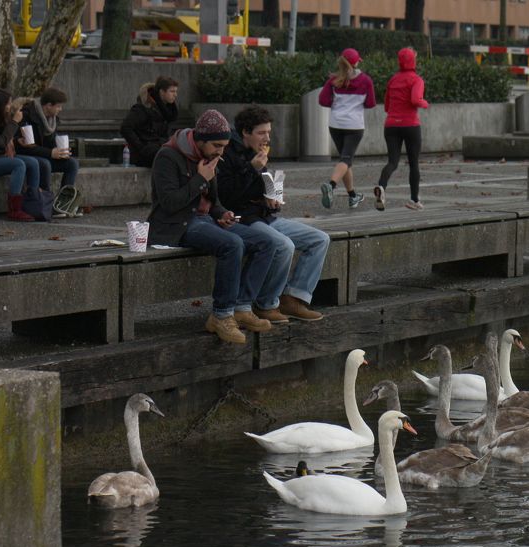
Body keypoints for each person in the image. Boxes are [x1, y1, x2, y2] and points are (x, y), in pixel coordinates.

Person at [147, 109, 278, 345]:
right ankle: (221, 315)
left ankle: (242, 307)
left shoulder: (210, 156)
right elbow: (169, 204)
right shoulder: (168, 156)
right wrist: (200, 179)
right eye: (217, 145)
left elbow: (213, 201)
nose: (221, 150)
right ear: (200, 140)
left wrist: (222, 213)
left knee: (266, 242)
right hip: (177, 223)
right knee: (232, 244)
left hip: (206, 219)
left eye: (225, 145)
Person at [216, 105, 328, 322]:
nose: (267, 137)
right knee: (284, 245)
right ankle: (266, 303)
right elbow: (227, 196)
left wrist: (271, 201)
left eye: (268, 132)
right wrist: (252, 168)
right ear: (245, 133)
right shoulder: (227, 153)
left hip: (263, 216)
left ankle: (294, 298)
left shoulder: (259, 154)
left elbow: (262, 189)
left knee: (319, 239)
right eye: (261, 132)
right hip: (243, 218)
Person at [318, 47, 376, 210]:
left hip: (335, 124)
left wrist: (336, 105)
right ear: (357, 62)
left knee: (346, 161)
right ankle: (331, 185)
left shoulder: (334, 80)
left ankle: (352, 196)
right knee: (346, 159)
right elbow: (371, 103)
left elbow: (322, 100)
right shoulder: (365, 80)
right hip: (354, 125)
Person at [373, 47, 430, 211]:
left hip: (391, 125)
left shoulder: (392, 80)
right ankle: (414, 200)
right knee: (413, 163)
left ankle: (382, 187)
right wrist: (424, 103)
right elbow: (415, 99)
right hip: (410, 125)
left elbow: (386, 106)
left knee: (392, 162)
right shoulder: (417, 80)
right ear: (413, 61)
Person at [15, 86, 79, 193]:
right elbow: (26, 146)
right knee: (45, 164)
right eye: (58, 106)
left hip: (44, 155)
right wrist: (50, 153)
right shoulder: (26, 115)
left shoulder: (52, 120)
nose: (60, 109)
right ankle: (45, 201)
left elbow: (50, 144)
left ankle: (64, 202)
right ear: (49, 105)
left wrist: (60, 151)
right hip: (28, 155)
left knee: (72, 163)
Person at [0, 89, 41, 222]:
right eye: (8, 104)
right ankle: (15, 209)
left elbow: (4, 140)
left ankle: (33, 204)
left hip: (1, 157)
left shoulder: (2, 118)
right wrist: (14, 122)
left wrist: (16, 141)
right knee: (18, 164)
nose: (10, 106)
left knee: (33, 162)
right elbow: (1, 143)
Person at [120, 76, 180, 168]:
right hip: (144, 154)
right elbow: (126, 128)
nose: (175, 95)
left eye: (176, 91)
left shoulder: (166, 111)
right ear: (162, 92)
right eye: (172, 91)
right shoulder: (143, 108)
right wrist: (141, 148)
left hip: (159, 149)